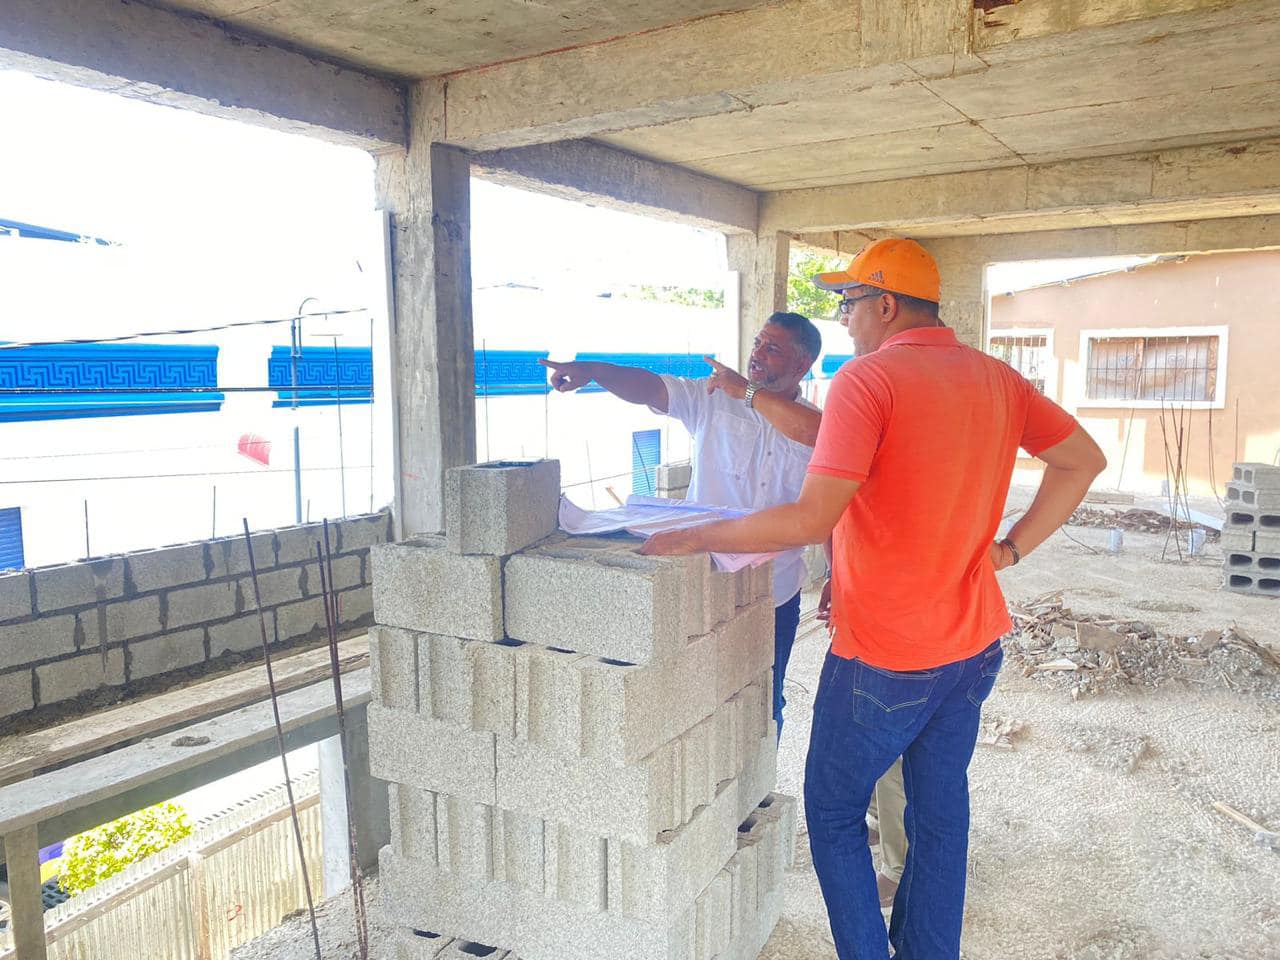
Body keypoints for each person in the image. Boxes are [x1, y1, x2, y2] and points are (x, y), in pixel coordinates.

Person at [641, 238, 1106, 959]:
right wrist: (1009, 550)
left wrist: (698, 534)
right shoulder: (998, 378)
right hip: (973, 646)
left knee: (832, 813)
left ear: (885, 305)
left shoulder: (868, 378)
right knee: (939, 818)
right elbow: (1082, 460)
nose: (846, 319)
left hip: (886, 655)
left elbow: (811, 518)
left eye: (850, 303)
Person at [539, 311, 823, 738]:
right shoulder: (713, 399)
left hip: (776, 592)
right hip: (706, 584)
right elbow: (651, 387)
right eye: (757, 343)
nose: (757, 354)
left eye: (772, 348)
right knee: (700, 704)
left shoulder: (814, 424)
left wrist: (839, 576)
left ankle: (760, 775)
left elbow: (829, 499)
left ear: (802, 363)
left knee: (766, 698)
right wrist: (595, 371)